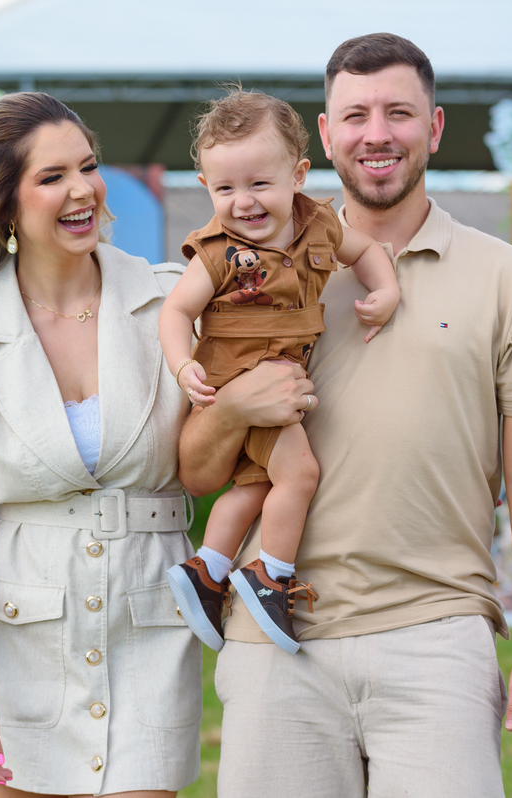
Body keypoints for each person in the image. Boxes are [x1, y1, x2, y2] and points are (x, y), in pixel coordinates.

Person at [178, 34, 512, 797]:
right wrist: (232, 405)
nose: (376, 133)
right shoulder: (243, 270)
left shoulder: (509, 279)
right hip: (275, 640)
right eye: (354, 114)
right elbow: (195, 471)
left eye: (399, 112)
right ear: (325, 137)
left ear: (434, 127)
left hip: (438, 632)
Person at [0, 92, 201, 798]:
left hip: (150, 615)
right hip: (19, 639)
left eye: (87, 167)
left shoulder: (172, 304)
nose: (82, 189)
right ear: (4, 203)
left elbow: (208, 461)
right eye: (51, 176)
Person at [158, 88, 398, 655]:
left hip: (280, 383)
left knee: (258, 483)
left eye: (260, 183)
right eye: (225, 188)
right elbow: (177, 311)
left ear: (298, 175)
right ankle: (271, 576)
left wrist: (385, 289)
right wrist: (181, 362)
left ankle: (208, 570)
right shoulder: (217, 252)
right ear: (205, 189)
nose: (244, 202)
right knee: (301, 476)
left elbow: (365, 251)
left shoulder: (319, 226)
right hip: (246, 379)